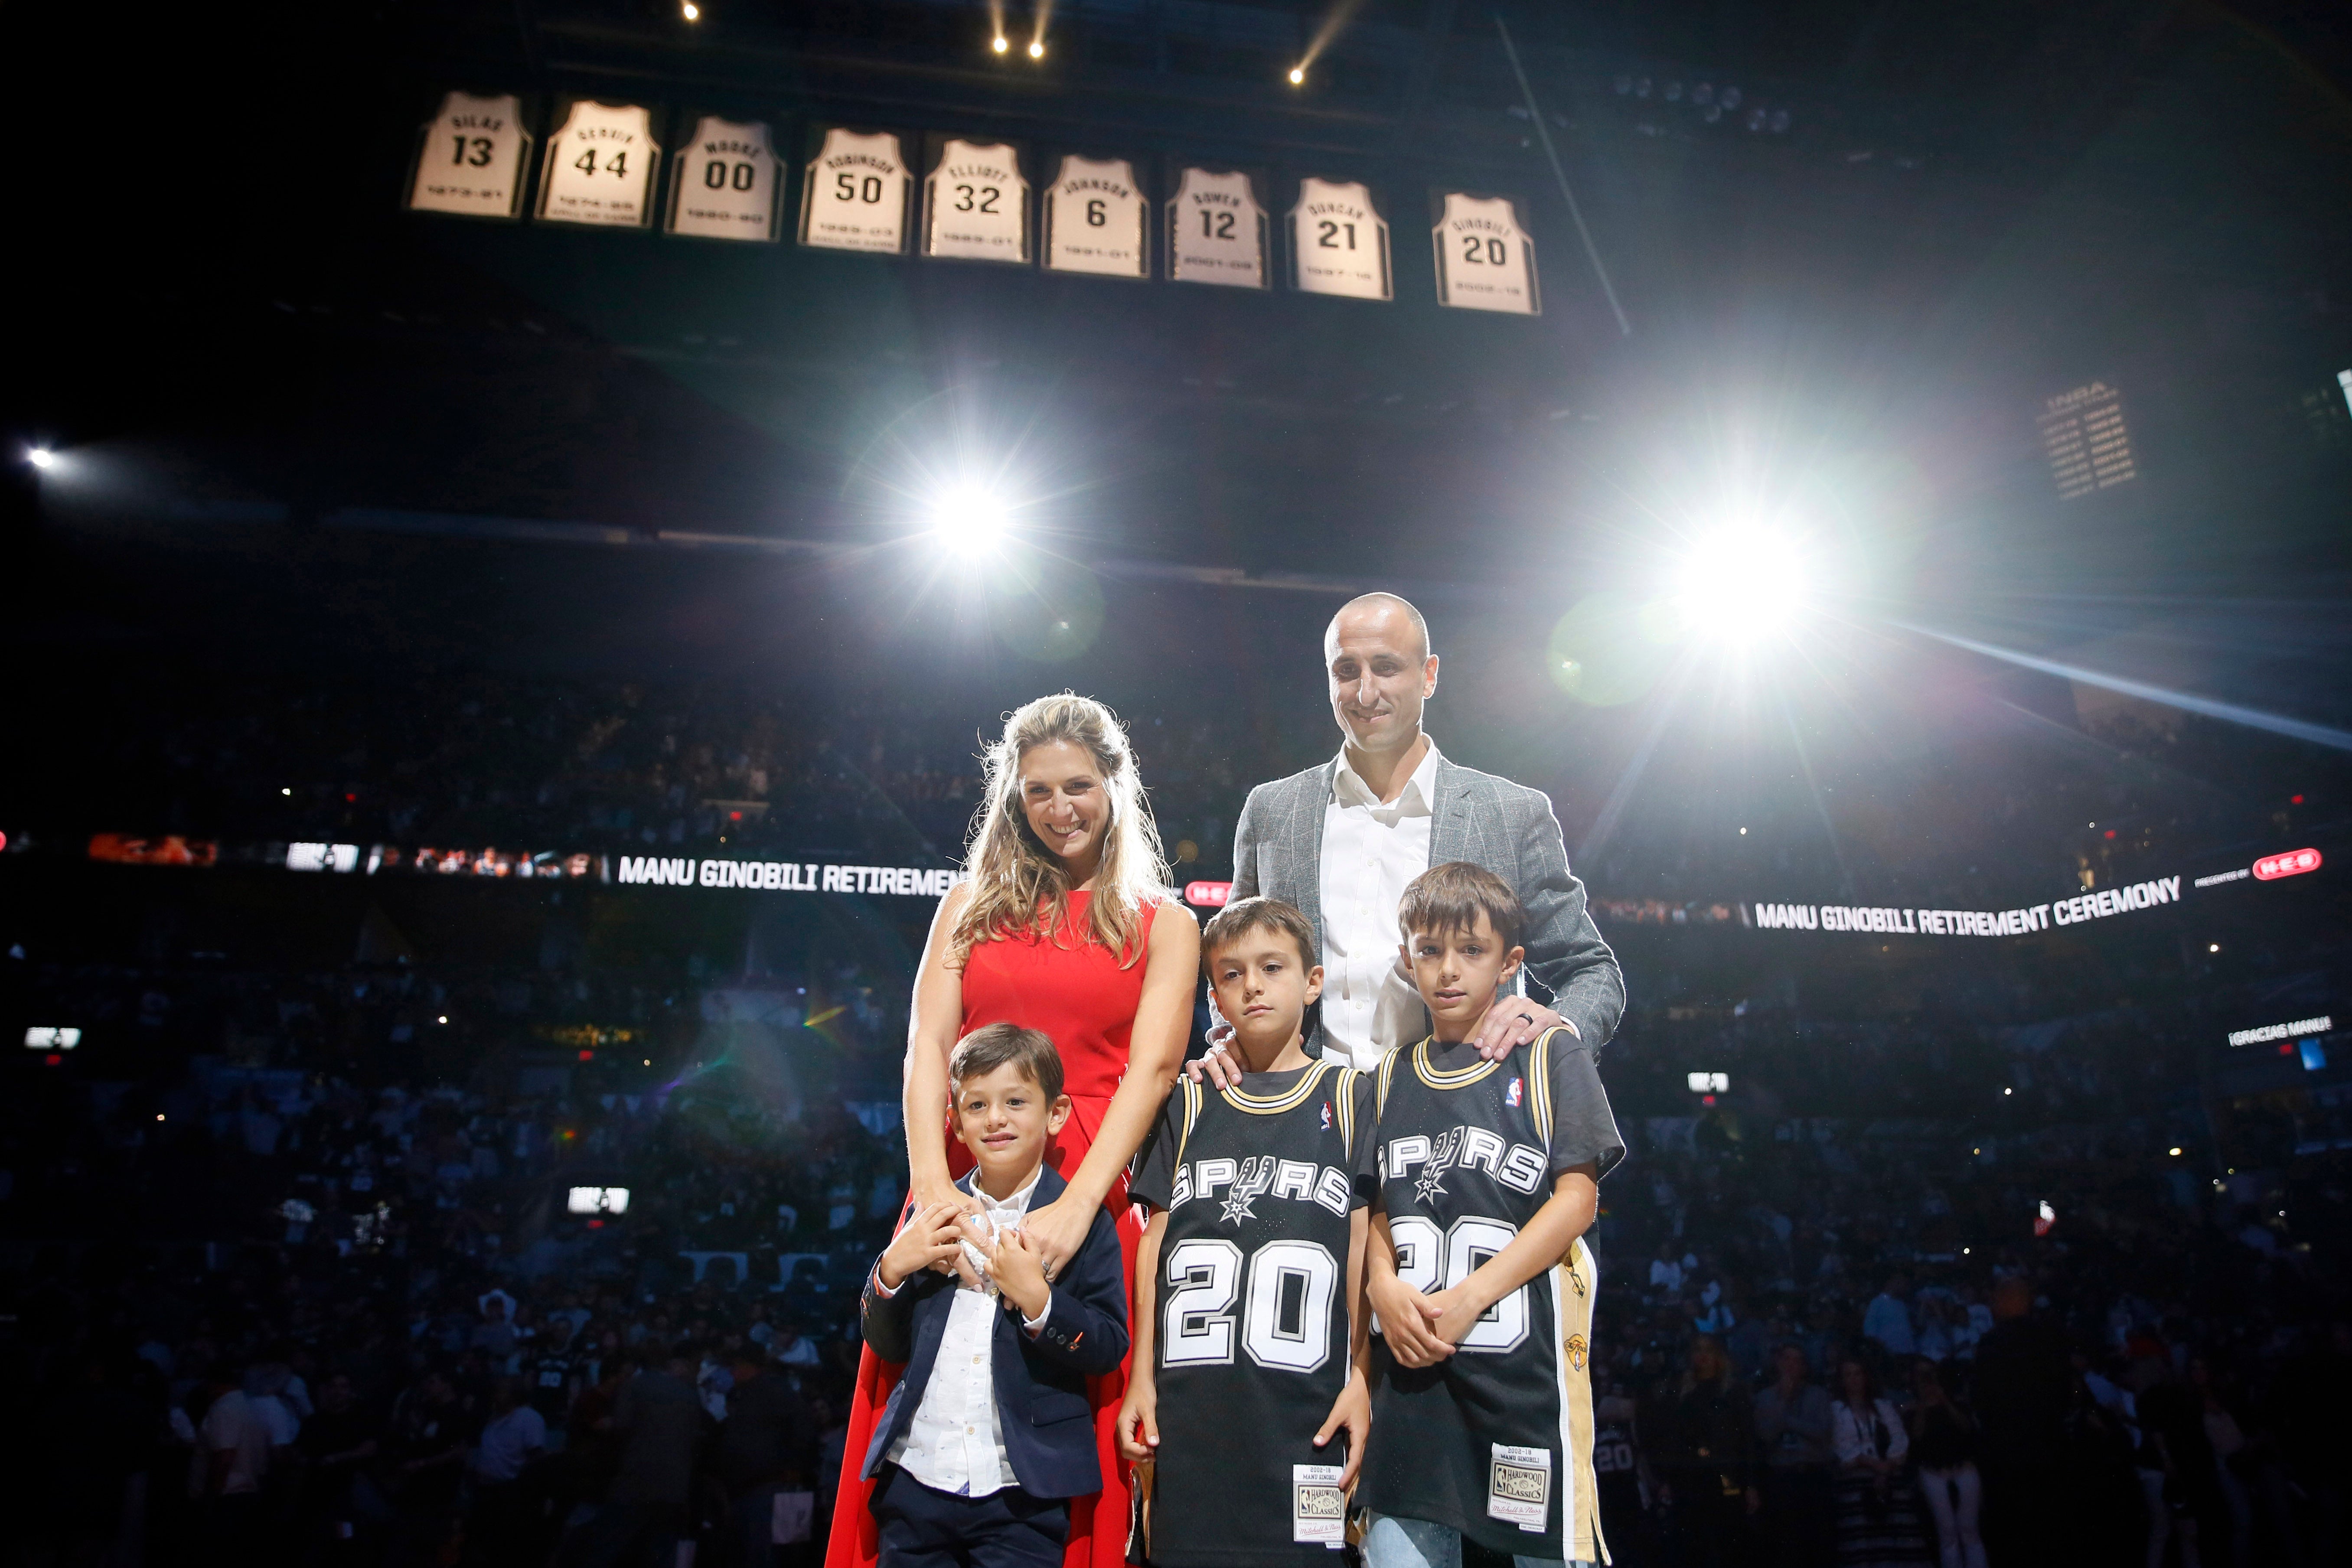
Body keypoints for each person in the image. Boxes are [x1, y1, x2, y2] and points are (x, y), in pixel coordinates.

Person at [829, 694, 1198, 1568]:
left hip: (1090, 1202)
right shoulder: (966, 903)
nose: (1060, 807)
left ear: (1115, 784)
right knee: (922, 1430)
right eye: (1039, 790)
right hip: (958, 1191)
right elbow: (927, 1048)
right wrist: (932, 1196)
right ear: (1013, 797)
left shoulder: (1168, 921)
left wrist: (1081, 1209)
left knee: (1062, 1448)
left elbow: (1150, 1073)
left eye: (1078, 785)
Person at [1213, 593, 1623, 1075]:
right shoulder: (1273, 810)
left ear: (1429, 675)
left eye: (1386, 667)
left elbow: (1591, 969)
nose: (1365, 693)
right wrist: (1228, 1038)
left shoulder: (1511, 815)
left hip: (1458, 1120)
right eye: (1347, 671)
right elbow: (1231, 956)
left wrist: (1559, 1030)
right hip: (1306, 1120)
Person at [1359, 861, 1625, 1568]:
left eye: (1471, 951)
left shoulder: (1549, 1053)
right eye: (1429, 949)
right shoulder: (1387, 1076)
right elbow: (1381, 1205)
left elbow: (1578, 1199)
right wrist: (1380, 1284)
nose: (1448, 970)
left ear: (1511, 963)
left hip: (1521, 1381)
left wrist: (1475, 1293)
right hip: (1416, 1386)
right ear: (1406, 957)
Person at [1118, 896, 1374, 1567]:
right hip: (1192, 1411)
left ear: (1312, 982)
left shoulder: (1351, 1098)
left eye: (1271, 967)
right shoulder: (1189, 1097)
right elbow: (1155, 1246)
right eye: (1232, 974)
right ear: (1214, 997)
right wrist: (1140, 1377)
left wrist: (1360, 1376)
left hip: (1304, 1412)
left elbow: (1360, 1253)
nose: (1252, 985)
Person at [859, 1024, 1131, 1568]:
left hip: (1021, 1491)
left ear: (1055, 1114)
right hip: (916, 1477)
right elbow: (887, 1346)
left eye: (1015, 1101)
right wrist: (891, 1269)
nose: (996, 1118)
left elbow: (1108, 1345)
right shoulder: (933, 1210)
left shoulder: (1080, 1221)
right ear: (955, 1122)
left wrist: (1039, 1302)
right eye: (977, 1105)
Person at [1651, 1336, 1758, 1568]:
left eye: (1709, 1350)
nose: (1703, 1356)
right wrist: (1667, 1478)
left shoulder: (1733, 1391)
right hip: (1689, 1480)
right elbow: (1671, 1438)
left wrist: (1751, 1484)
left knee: (1727, 1545)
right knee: (1693, 1546)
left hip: (1726, 1477)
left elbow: (1747, 1439)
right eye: (1698, 1350)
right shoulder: (1680, 1392)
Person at [714, 1349, 818, 1568]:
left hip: (768, 1486)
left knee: (763, 1555)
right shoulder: (746, 1394)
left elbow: (802, 1426)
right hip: (746, 1487)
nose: (733, 1373)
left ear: (749, 1366)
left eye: (736, 1367)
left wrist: (795, 1466)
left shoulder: (774, 1390)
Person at [1831, 1359, 1931, 1567]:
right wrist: (1872, 1464)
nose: (1854, 1379)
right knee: (1863, 1543)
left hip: (1890, 1476)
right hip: (1856, 1480)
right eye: (1848, 1375)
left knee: (1898, 1537)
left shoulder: (1882, 1406)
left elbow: (1899, 1438)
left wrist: (1886, 1467)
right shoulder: (1837, 1409)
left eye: (1858, 1374)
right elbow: (1842, 1444)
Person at [1754, 1343, 1836, 1568]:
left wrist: (1787, 1421)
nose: (1792, 1365)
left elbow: (1823, 1434)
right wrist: (1784, 1400)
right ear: (1779, 1363)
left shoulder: (1818, 1395)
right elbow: (1765, 1435)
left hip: (1814, 1474)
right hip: (1782, 1477)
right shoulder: (1765, 1397)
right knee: (1787, 1545)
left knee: (1820, 1543)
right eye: (1787, 1359)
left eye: (1797, 1360)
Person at [1907, 1361, 1985, 1568]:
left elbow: (1966, 1428)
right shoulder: (1913, 1410)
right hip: (1933, 1472)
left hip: (1963, 1468)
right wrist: (1924, 1404)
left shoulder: (1957, 1403)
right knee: (1947, 1531)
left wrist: (1945, 1401)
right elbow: (1916, 1436)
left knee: (1969, 1529)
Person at [466, 1377, 545, 1566]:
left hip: (508, 1493)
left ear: (515, 1394)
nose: (496, 1394)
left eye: (502, 1391)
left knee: (502, 1547)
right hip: (485, 1489)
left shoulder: (528, 1418)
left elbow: (537, 1456)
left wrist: (524, 1488)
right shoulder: (493, 1417)